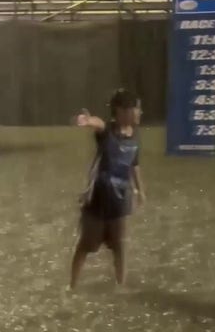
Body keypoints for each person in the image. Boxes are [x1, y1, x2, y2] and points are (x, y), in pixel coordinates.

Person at [69, 88, 146, 290]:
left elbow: (134, 164)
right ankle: (72, 286)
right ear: (122, 111)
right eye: (136, 109)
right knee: (87, 244)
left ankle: (121, 286)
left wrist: (140, 190)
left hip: (120, 200)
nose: (140, 113)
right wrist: (87, 121)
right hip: (99, 199)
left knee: (119, 245)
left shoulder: (135, 135)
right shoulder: (108, 132)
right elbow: (98, 124)